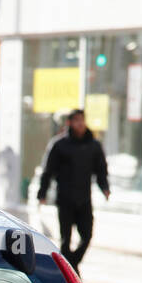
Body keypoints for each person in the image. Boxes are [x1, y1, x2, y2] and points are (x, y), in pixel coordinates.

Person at [37, 109, 110, 264]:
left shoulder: (94, 146)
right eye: (77, 120)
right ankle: (71, 273)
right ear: (69, 123)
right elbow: (48, 171)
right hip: (65, 199)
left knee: (87, 236)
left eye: (82, 120)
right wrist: (42, 193)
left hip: (84, 199)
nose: (80, 124)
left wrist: (104, 187)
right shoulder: (59, 145)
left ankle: (72, 265)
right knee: (65, 240)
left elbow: (101, 169)